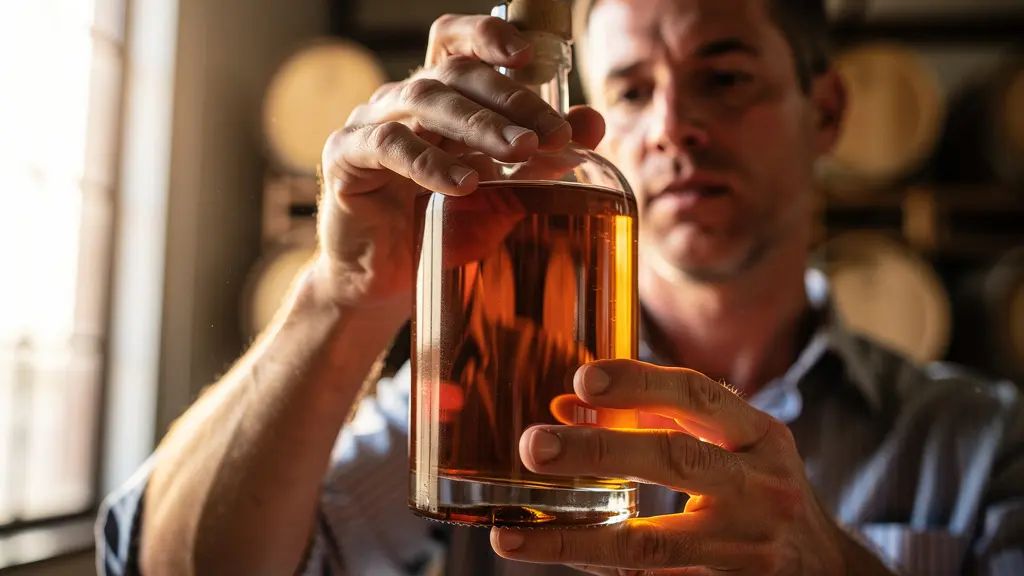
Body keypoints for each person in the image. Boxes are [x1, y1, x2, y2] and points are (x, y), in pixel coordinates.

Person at [97, 0, 1024, 574]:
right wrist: (342, 295)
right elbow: (165, 568)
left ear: (823, 112)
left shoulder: (986, 446)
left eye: (724, 77)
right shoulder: (484, 405)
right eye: (629, 89)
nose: (672, 127)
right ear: (590, 115)